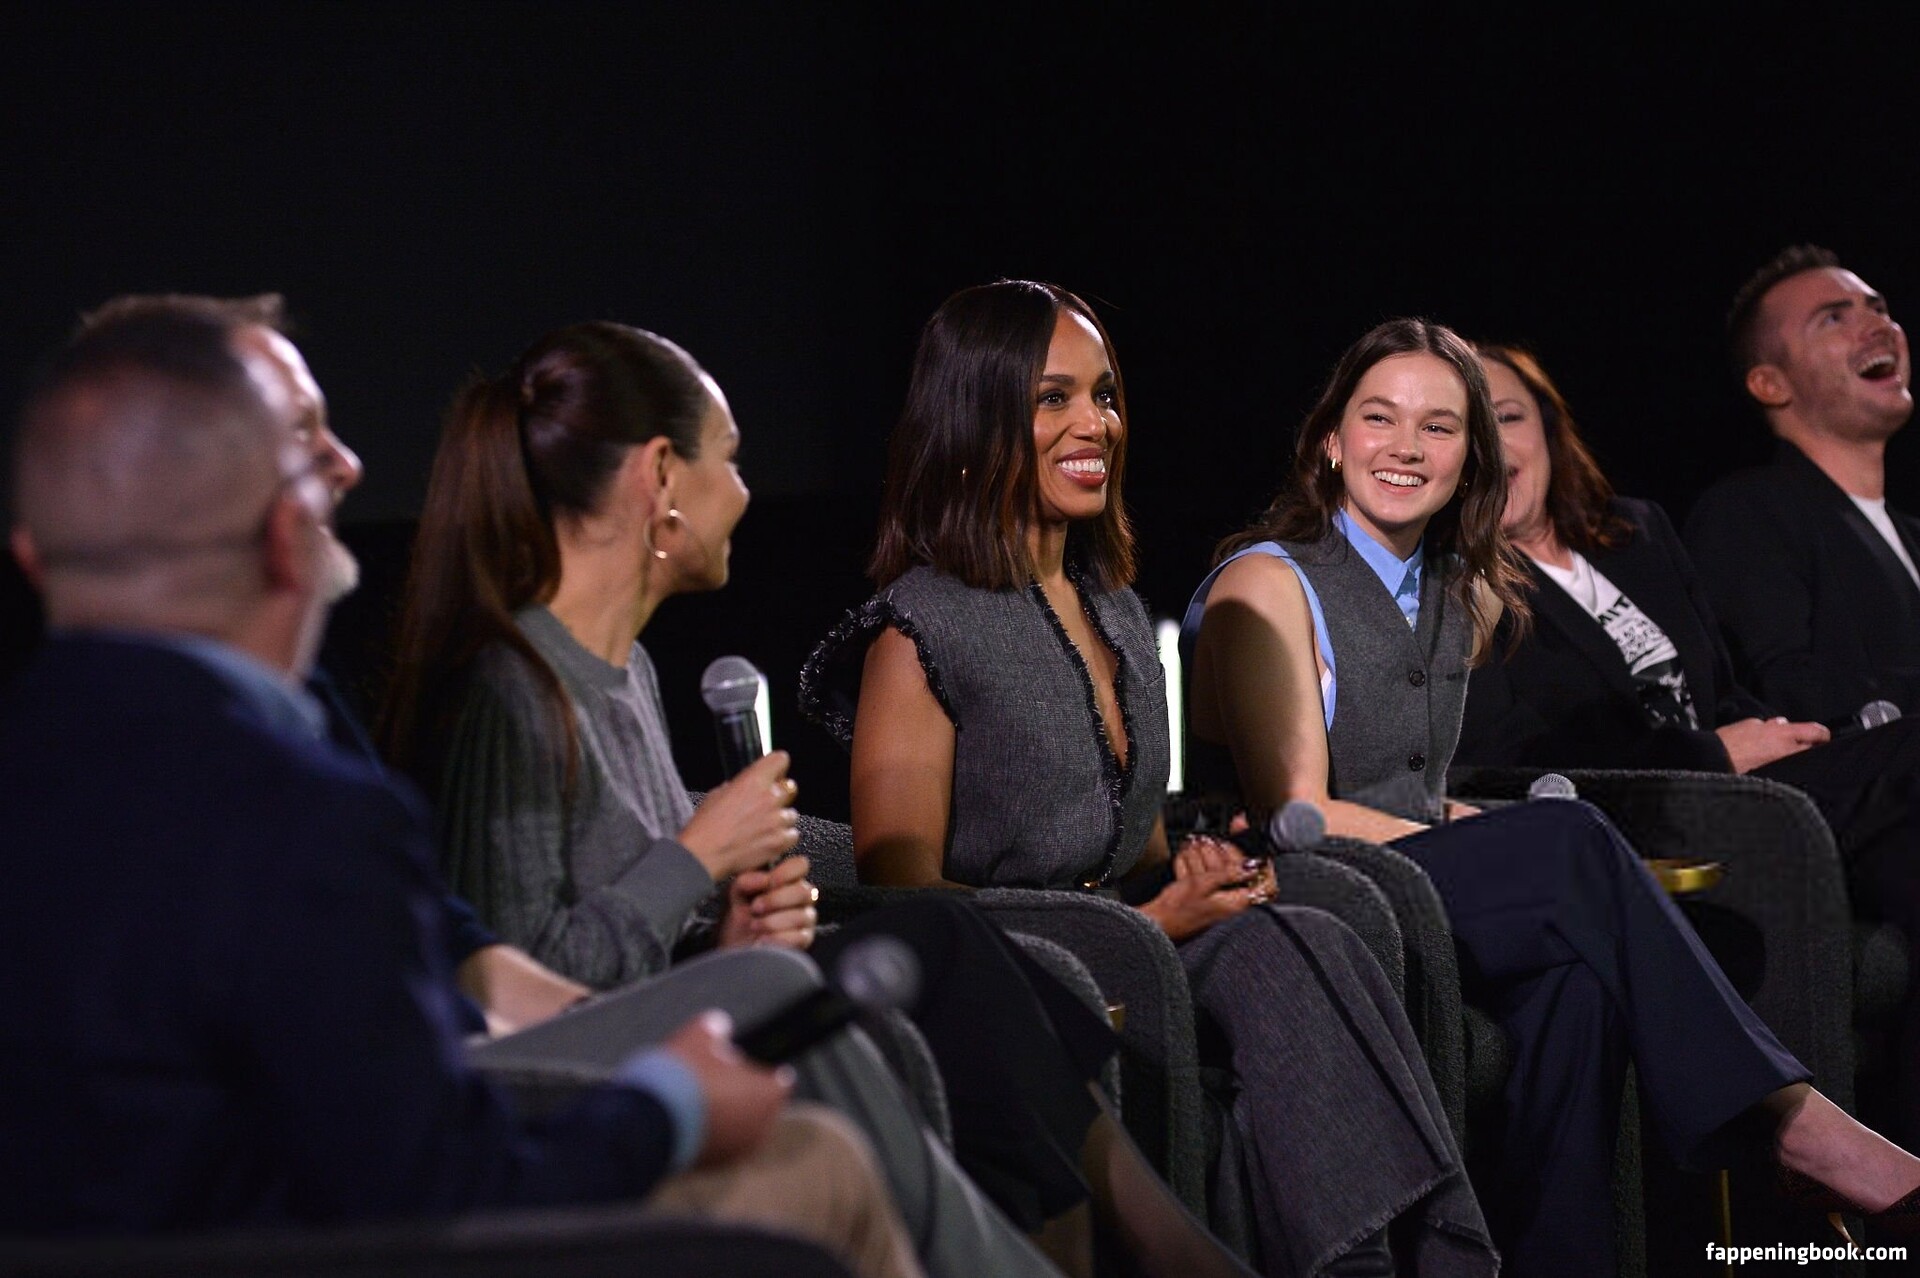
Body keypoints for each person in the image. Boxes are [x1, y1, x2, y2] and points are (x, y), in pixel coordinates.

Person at [0, 297, 923, 1278]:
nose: (350, 465)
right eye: (310, 438)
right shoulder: (306, 819)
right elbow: (438, 1185)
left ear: (33, 557)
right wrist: (670, 1102)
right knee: (818, 1167)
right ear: (283, 536)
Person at [377, 317, 1249, 1278]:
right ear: (661, 478)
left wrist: (726, 933)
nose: (746, 494)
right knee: (935, 939)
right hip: (574, 1077)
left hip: (684, 1004)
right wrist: (695, 862)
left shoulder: (624, 675)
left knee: (950, 962)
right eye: (729, 461)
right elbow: (516, 985)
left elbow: (644, 937)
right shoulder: (509, 691)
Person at [1181, 316, 1920, 1275]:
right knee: (1566, 841)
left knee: (1574, 988)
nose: (1407, 447)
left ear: (1469, 459)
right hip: (1298, 898)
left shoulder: (1456, 593)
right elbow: (1297, 813)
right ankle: (1791, 1124)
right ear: (1330, 439)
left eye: (1439, 427)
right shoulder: (1267, 581)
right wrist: (1495, 833)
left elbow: (1414, 789)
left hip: (1399, 874)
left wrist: (1476, 822)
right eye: (1379, 418)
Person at [803, 280, 1497, 1278]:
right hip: (1038, 966)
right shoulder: (920, 632)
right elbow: (908, 905)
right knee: (1281, 960)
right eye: (1053, 399)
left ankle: (1410, 1255)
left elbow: (1141, 845)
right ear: (971, 420)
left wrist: (1197, 875)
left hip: (1137, 929)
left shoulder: (1117, 609)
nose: (1097, 424)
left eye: (1104, 395)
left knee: (1310, 934)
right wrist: (1155, 920)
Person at [1455, 341, 1920, 1150]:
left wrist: (1785, 735)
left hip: (1762, 790)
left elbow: (1719, 691)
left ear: (1551, 431)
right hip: (1655, 816)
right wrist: (1713, 756)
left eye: (1510, 418)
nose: (1495, 447)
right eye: (1467, 430)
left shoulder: (1636, 532)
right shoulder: (1461, 589)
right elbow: (1519, 760)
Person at [1685, 245, 1920, 722]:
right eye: (1833, 318)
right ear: (1771, 384)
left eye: (1878, 308)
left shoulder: (1912, 534)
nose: (1879, 327)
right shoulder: (1745, 515)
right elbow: (1783, 690)